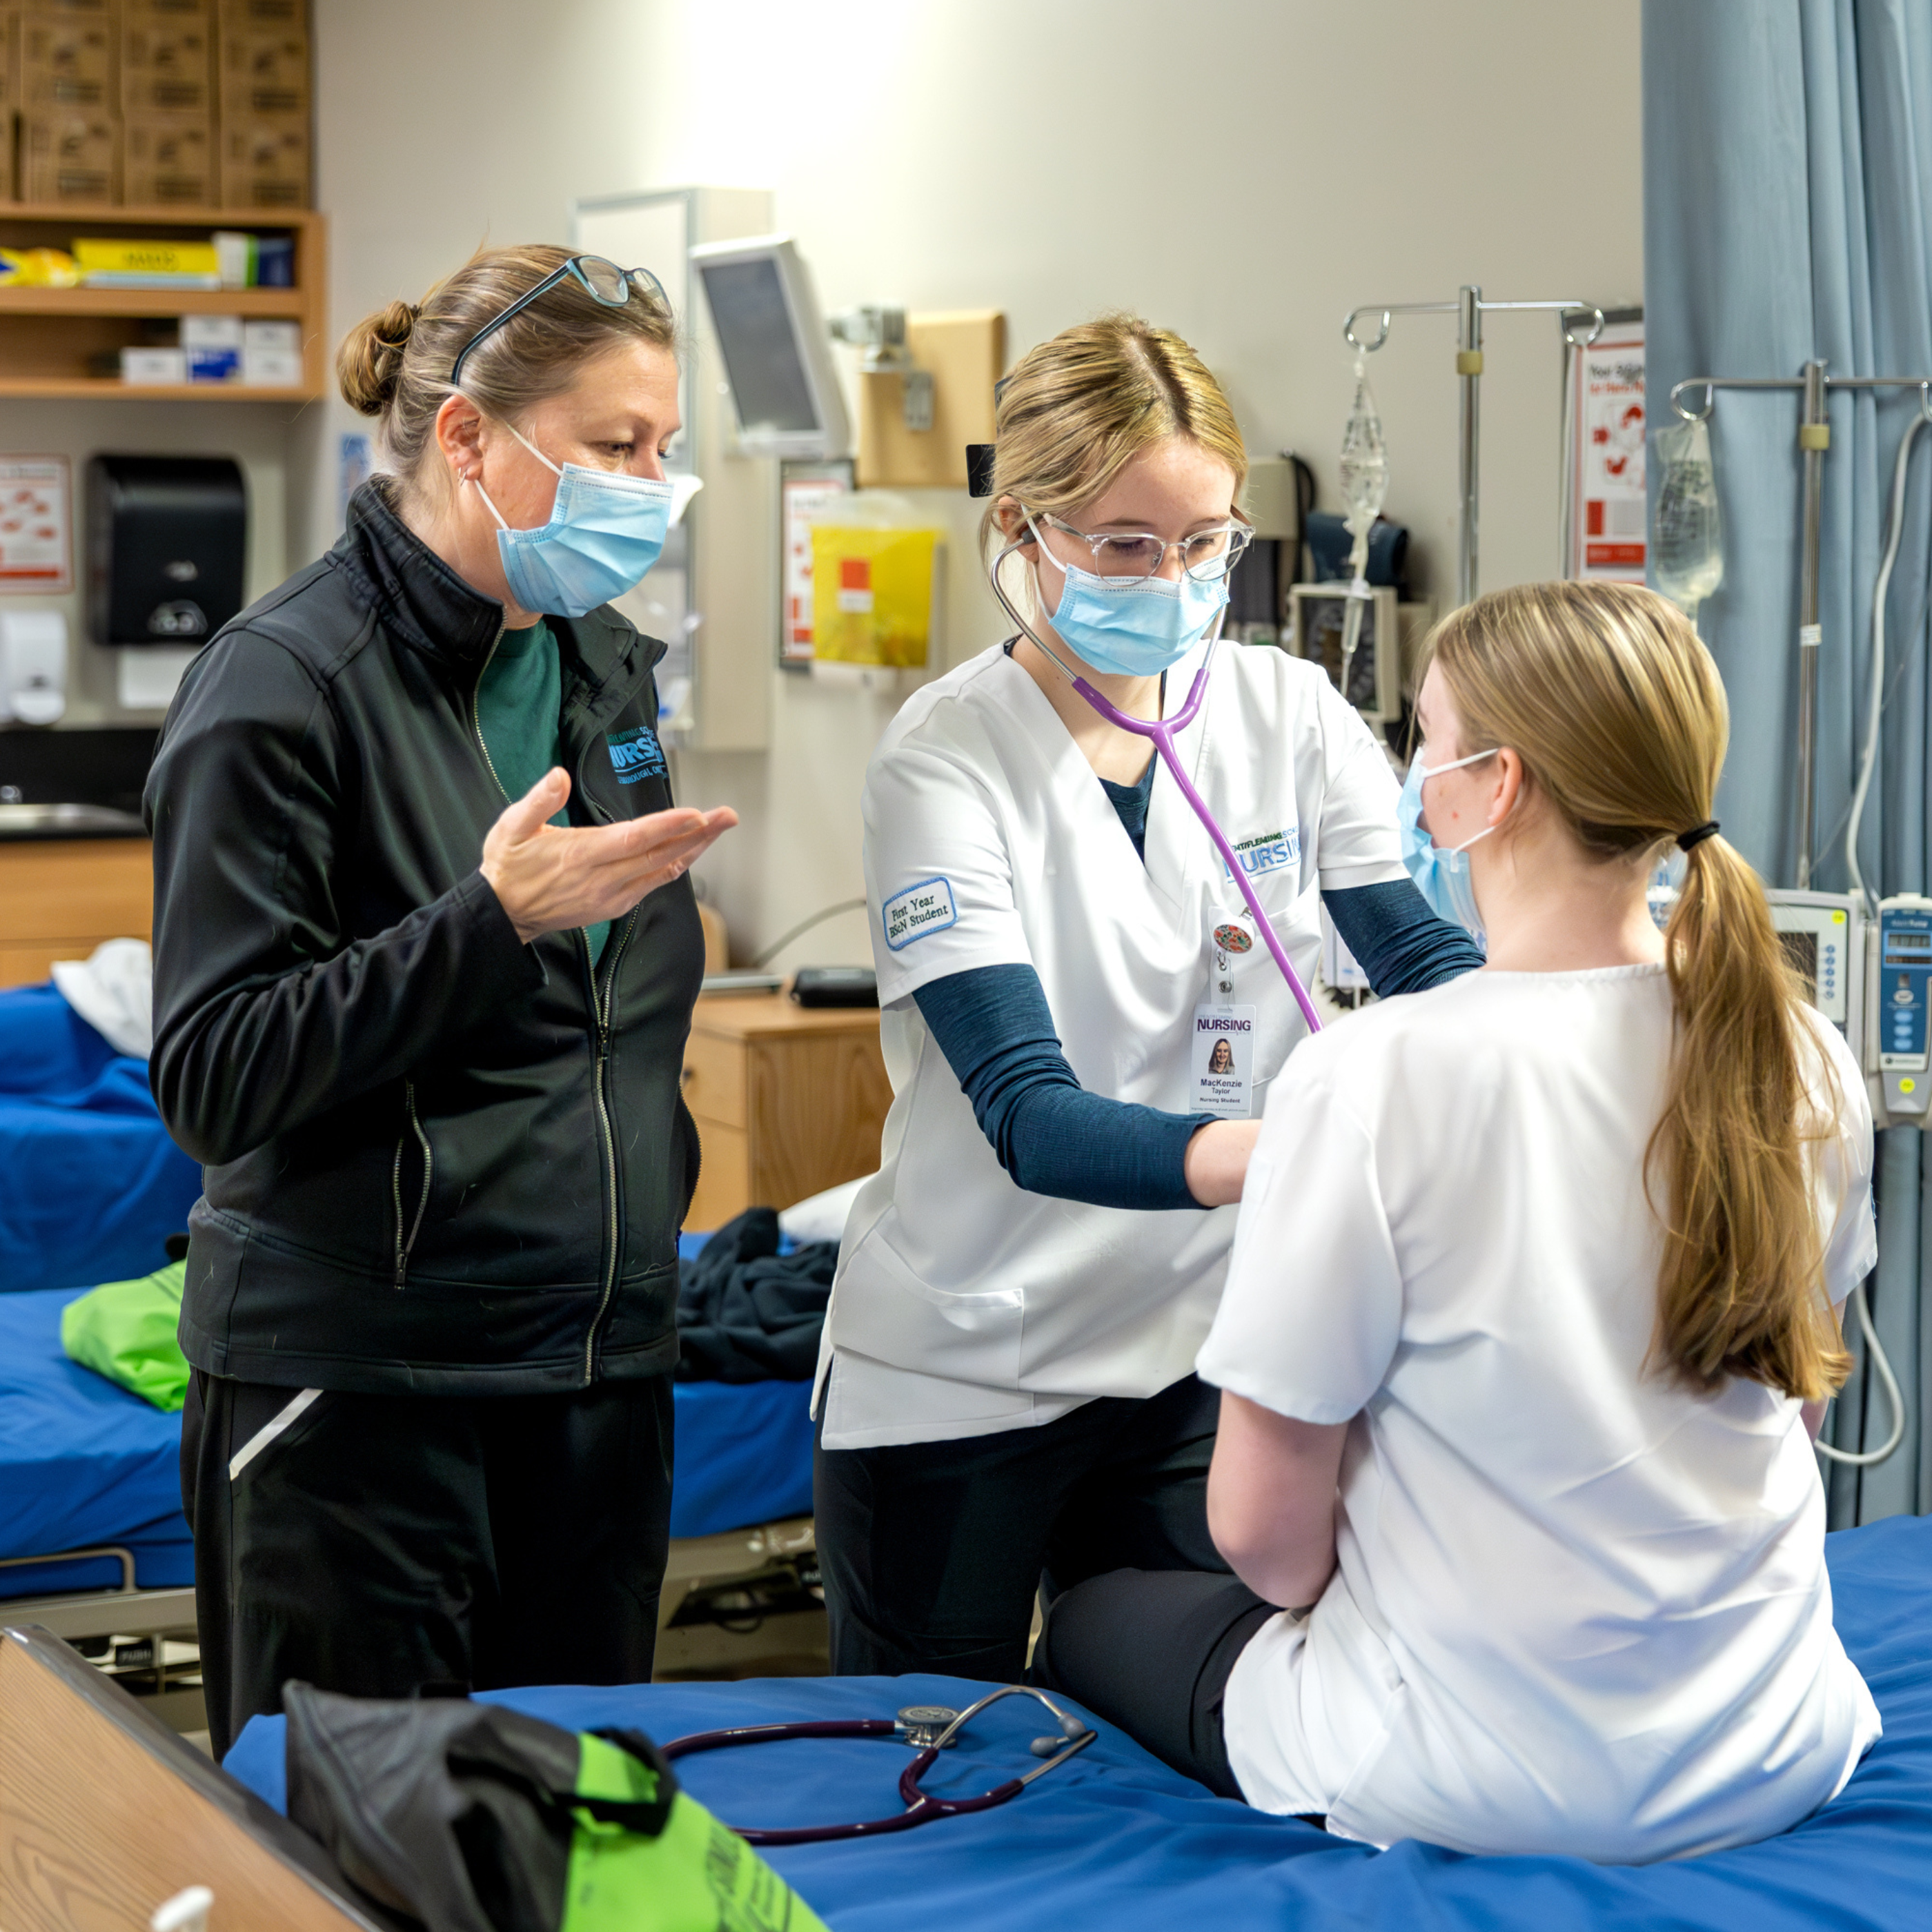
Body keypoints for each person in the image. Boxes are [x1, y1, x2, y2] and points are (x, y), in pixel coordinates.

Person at [1033, 582, 1881, 1862]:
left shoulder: (1373, 1077)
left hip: (1468, 1775)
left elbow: (1265, 1544)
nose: (1411, 772)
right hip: (1769, 1745)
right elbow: (1794, 1406)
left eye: (1423, 737)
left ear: (1501, 785)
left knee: (1092, 1613)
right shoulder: (1798, 1052)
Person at [813, 315, 1483, 1681]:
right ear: (1024, 527)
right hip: (971, 1362)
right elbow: (1031, 1120)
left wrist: (1566, 1042)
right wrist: (1310, 1154)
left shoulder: (1287, 714)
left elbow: (1419, 957)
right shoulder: (942, 761)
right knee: (938, 1779)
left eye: (1203, 542)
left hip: (1199, 1358)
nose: (1171, 580)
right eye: (1124, 543)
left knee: (1184, 1763)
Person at [147, 245, 736, 1757]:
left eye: (663, 448)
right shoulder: (282, 684)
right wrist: (486, 924)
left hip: (594, 1377)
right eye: (615, 447)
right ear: (468, 436)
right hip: (361, 1394)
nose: (651, 484)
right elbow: (214, 1071)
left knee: (568, 1858)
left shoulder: (605, 669)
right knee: (352, 1870)